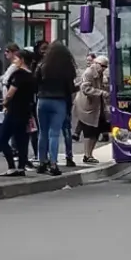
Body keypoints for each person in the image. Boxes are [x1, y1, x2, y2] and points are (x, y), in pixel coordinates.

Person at [34, 41, 77, 176]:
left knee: (43, 132)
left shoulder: (42, 65)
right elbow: (70, 88)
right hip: (59, 101)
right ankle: (53, 164)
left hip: (42, 100)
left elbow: (35, 81)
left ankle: (42, 162)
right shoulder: (67, 67)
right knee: (54, 134)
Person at [0, 50, 36, 177]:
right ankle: (21, 167)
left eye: (16, 59)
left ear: (22, 60)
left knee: (2, 139)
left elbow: (11, 92)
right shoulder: (32, 76)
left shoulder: (19, 74)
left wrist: (4, 102)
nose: (14, 61)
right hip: (26, 111)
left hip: (14, 110)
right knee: (22, 140)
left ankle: (11, 166)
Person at [73, 54, 109, 165]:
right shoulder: (89, 73)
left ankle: (90, 154)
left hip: (97, 107)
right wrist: (101, 93)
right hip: (87, 108)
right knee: (89, 132)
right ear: (97, 63)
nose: (103, 68)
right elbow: (85, 89)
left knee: (96, 132)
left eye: (105, 67)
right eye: (102, 66)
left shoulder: (100, 74)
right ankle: (87, 155)